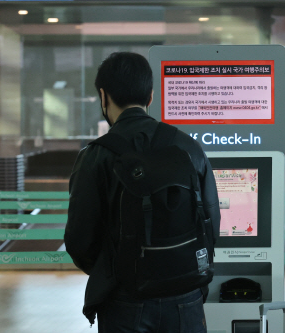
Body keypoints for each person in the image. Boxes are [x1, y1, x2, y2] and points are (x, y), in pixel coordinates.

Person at [64, 52, 220, 332]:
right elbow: (211, 224)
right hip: (185, 298)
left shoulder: (95, 156)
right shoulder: (188, 148)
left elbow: (79, 239)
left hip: (124, 302)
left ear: (103, 96)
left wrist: (115, 272)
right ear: (150, 96)